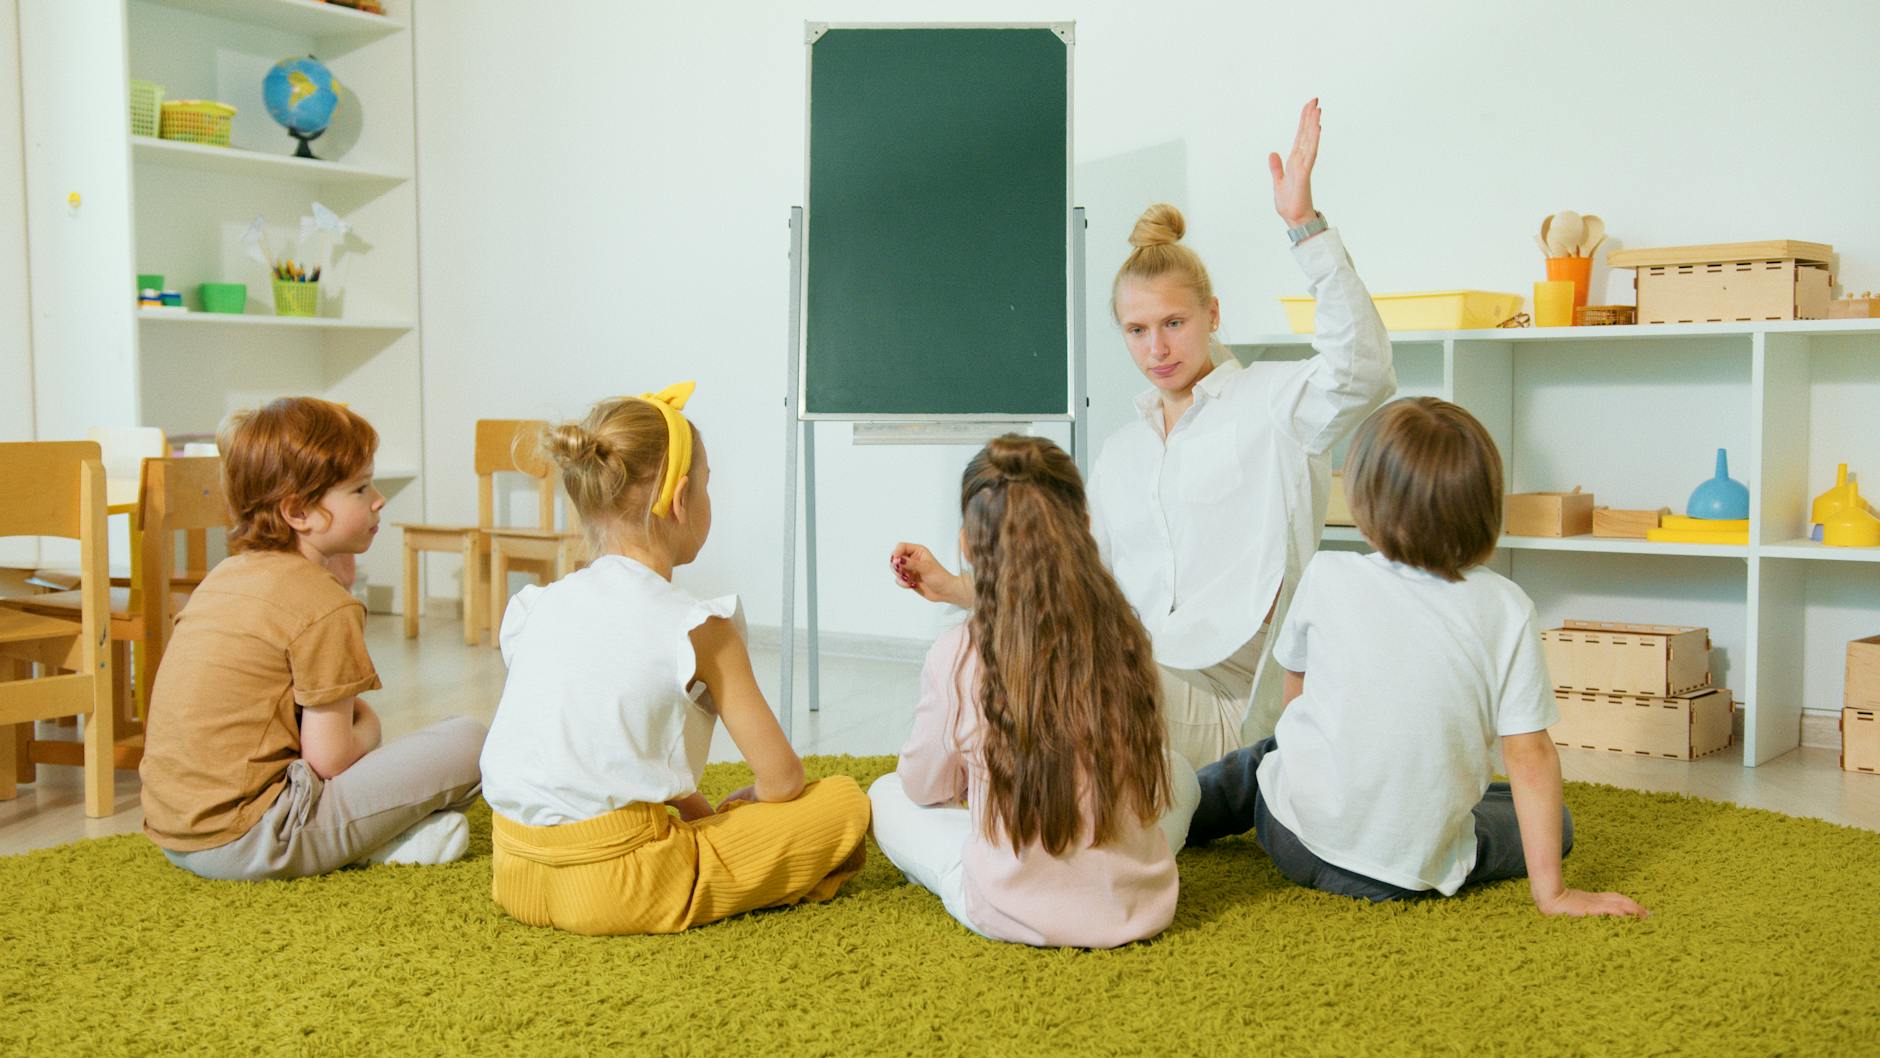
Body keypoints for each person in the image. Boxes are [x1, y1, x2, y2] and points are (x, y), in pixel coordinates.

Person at [891, 99, 1395, 769]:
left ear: (1212, 314)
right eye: (1136, 330)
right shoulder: (1122, 452)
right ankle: (981, 809)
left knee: (1042, 664)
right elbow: (1076, 584)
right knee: (989, 648)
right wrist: (962, 591)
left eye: (1174, 323)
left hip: (1226, 711)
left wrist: (1303, 226)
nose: (1157, 347)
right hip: (1126, 682)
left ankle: (989, 811)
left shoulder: (1273, 403)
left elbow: (1363, 370)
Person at [1188, 398, 1647, 918]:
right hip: (1407, 875)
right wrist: (1554, 893)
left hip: (1294, 838)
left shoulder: (1330, 573)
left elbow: (1297, 688)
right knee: (1552, 821)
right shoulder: (1507, 608)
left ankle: (1169, 816)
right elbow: (1530, 756)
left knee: (1264, 758)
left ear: (1364, 503)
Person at [478, 383, 870, 935]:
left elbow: (596, 738)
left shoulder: (535, 607)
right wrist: (753, 804)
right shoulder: (700, 627)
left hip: (514, 869)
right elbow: (782, 779)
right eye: (707, 487)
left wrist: (693, 808)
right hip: (619, 888)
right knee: (844, 801)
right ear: (681, 499)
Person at [872, 435, 1200, 948]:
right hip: (1140, 908)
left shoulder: (957, 652)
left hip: (1007, 911)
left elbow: (921, 787)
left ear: (966, 544)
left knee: (885, 795)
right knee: (1179, 770)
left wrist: (970, 778)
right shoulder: (1126, 634)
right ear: (1085, 528)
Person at [141, 397, 486, 880]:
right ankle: (374, 842)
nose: (378, 500)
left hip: (175, 834)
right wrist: (370, 728)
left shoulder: (225, 575)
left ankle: (379, 840)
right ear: (299, 512)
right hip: (254, 838)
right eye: (361, 488)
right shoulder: (323, 605)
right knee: (473, 741)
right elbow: (329, 759)